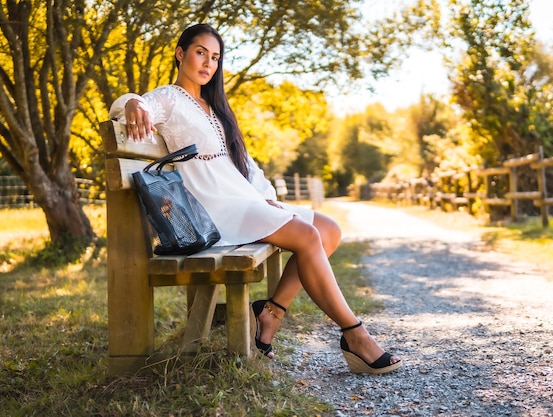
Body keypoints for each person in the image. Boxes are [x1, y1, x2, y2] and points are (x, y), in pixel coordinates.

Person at [109, 23, 401, 375]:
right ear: (180, 53)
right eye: (200, 52)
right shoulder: (169, 98)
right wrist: (132, 103)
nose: (207, 63)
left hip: (241, 199)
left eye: (215, 57)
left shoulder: (214, 108)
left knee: (329, 231)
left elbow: (243, 164)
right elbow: (130, 105)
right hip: (216, 207)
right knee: (308, 237)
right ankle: (355, 335)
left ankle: (271, 313)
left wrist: (267, 198)